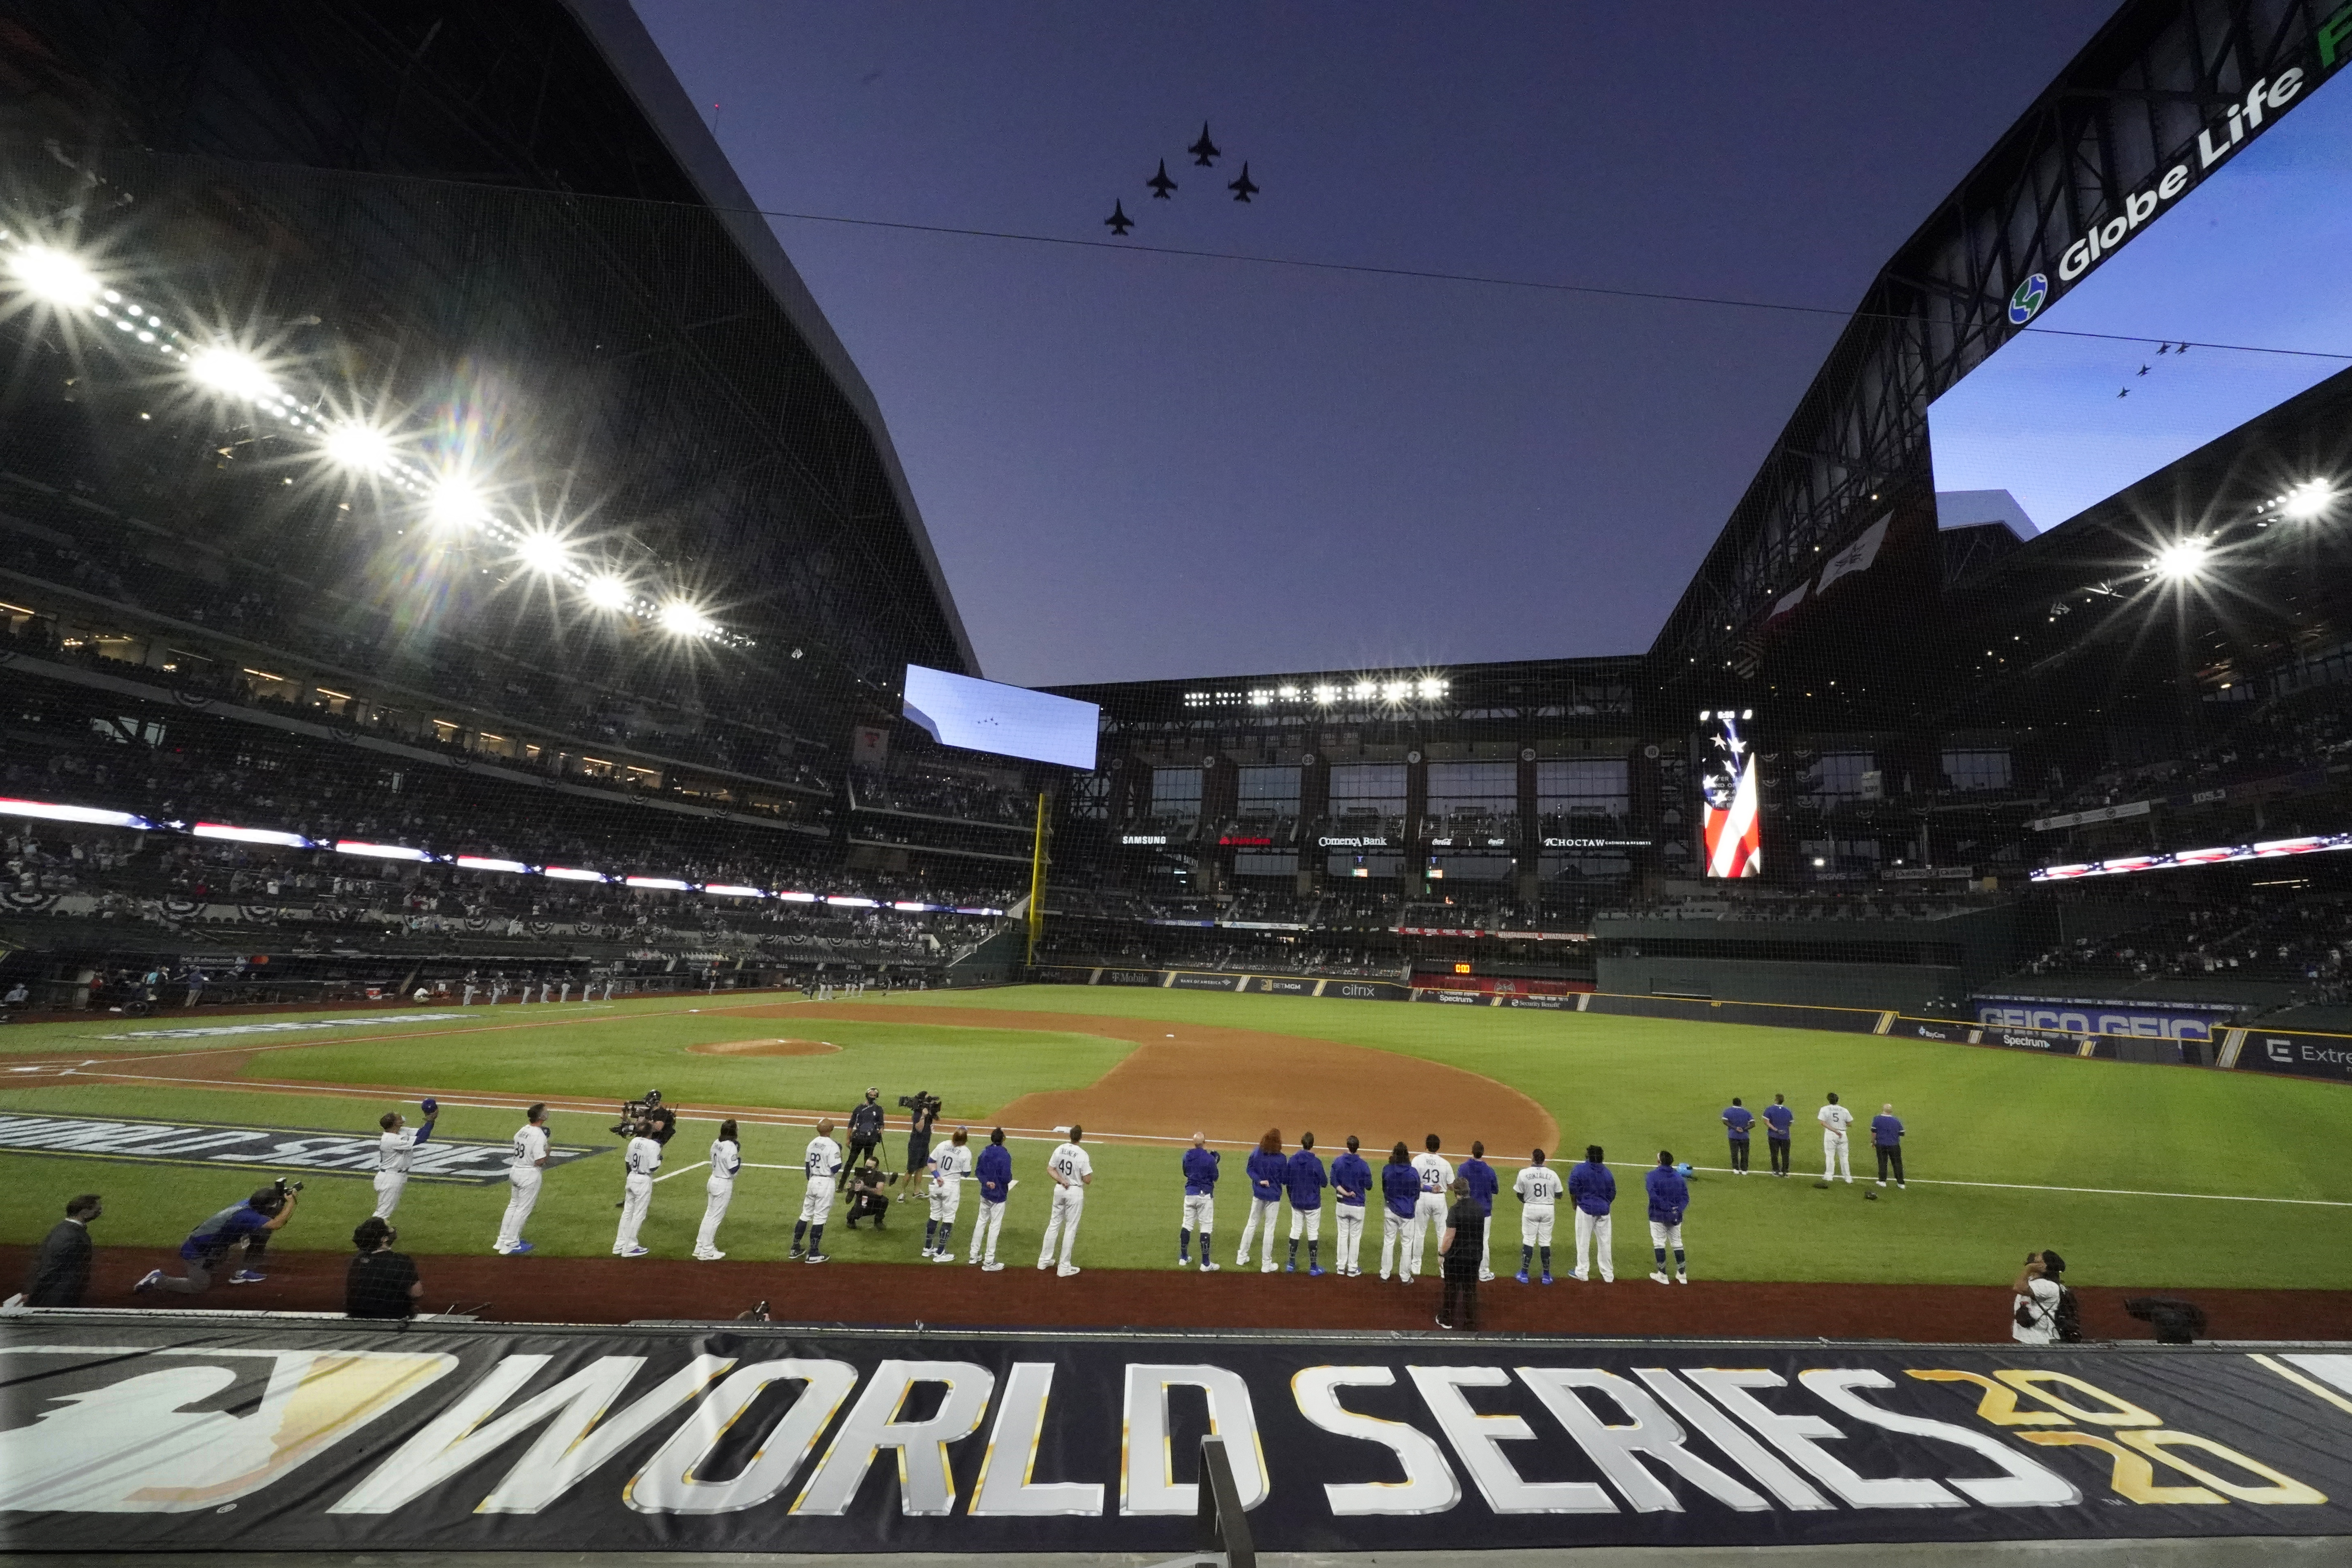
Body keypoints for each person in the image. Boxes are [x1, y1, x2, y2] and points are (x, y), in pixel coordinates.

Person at [138, 1183, 299, 1294]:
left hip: (215, 1247)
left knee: (261, 1233)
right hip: (196, 1252)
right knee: (199, 1286)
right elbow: (277, 1224)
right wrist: (291, 1202)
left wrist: (281, 1195)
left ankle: (242, 1272)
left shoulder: (249, 1204)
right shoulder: (245, 1216)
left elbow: (269, 1211)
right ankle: (157, 1280)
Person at [20, 1194, 101, 1307]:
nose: (100, 1211)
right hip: (58, 1298)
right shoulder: (71, 1236)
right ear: (84, 1213)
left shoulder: (63, 1229)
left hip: (60, 1294)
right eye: (97, 1209)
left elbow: (39, 1262)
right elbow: (50, 1267)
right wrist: (32, 1294)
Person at [495, 1103, 550, 1256]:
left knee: (513, 1206)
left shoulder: (522, 1130)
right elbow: (540, 1161)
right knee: (523, 1209)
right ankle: (512, 1244)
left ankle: (502, 1240)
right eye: (546, 1112)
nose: (548, 1113)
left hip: (516, 1171)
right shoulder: (539, 1135)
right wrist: (548, 1151)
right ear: (541, 1117)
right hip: (529, 1175)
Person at [1038, 1124, 1092, 1277]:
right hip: (1074, 1192)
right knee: (1070, 1228)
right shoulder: (1082, 1154)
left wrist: (1062, 1180)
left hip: (1060, 1189)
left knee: (1054, 1224)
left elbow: (1050, 1169)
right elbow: (1087, 1179)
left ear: (1070, 1135)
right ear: (1081, 1137)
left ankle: (1044, 1260)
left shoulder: (1060, 1149)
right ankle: (1064, 1267)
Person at [372, 1098, 439, 1221]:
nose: (401, 1118)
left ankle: (379, 1233)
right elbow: (421, 1139)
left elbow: (421, 1133)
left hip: (396, 1176)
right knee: (383, 1213)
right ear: (395, 1124)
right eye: (398, 1118)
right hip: (390, 1178)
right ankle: (371, 1236)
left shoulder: (400, 1131)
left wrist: (431, 1120)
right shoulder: (390, 1140)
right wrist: (430, 1120)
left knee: (387, 1211)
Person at [345, 1216, 422, 1320]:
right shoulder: (401, 1260)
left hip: (358, 1318)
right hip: (394, 1319)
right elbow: (417, 1294)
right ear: (384, 1239)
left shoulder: (356, 1261)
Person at [1437, 1177, 1486, 1331]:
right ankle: (1470, 1323)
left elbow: (1450, 1236)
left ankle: (1446, 1319)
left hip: (1456, 1258)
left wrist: (1441, 1253)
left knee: (1451, 1289)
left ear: (1456, 1193)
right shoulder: (1479, 1208)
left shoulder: (1455, 1210)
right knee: (1470, 1289)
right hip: (1474, 1257)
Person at [792, 1117, 842, 1262]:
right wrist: (841, 1154)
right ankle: (813, 1253)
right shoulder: (833, 1146)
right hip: (826, 1182)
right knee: (820, 1217)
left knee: (805, 1215)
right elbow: (835, 1168)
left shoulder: (812, 1143)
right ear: (831, 1130)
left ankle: (795, 1248)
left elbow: (808, 1167)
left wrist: (812, 1181)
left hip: (813, 1181)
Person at [1238, 1129, 1286, 1272]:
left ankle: (1241, 1257)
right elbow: (1284, 1179)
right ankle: (1266, 1264)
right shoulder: (1282, 1159)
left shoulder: (1257, 1152)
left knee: (1251, 1224)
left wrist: (1259, 1181)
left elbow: (1250, 1169)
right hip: (1274, 1196)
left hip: (1258, 1194)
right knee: (1269, 1229)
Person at [613, 1117, 662, 1257]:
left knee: (627, 1213)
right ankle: (630, 1247)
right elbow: (653, 1167)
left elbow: (628, 1161)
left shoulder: (633, 1142)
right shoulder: (653, 1145)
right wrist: (660, 1159)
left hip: (632, 1178)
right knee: (639, 1214)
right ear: (650, 1131)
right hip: (643, 1180)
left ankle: (620, 1244)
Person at [924, 1126, 974, 1261]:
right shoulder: (965, 1152)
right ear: (965, 1139)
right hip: (951, 1187)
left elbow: (930, 1162)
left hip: (937, 1183)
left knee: (934, 1214)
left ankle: (927, 1248)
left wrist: (937, 1175)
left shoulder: (943, 1145)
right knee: (948, 1217)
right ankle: (940, 1252)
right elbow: (966, 1173)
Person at [694, 1119, 741, 1261]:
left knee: (709, 1215)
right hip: (723, 1183)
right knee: (715, 1218)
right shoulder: (730, 1146)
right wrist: (740, 1161)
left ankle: (700, 1246)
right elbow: (733, 1169)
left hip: (713, 1179)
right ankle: (707, 1251)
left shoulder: (716, 1142)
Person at [1513, 1149, 1562, 1284]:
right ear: (1544, 1160)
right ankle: (1546, 1276)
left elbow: (1519, 1193)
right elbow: (1559, 1194)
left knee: (1529, 1240)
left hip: (1530, 1208)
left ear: (1533, 1159)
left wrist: (1529, 1200)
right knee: (1545, 1242)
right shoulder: (1552, 1174)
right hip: (1548, 1209)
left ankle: (1524, 1274)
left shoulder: (1524, 1173)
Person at [1569, 1144, 1616, 1283]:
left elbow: (1573, 1189)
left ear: (1588, 1156)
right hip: (1604, 1212)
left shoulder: (1579, 1170)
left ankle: (1582, 1272)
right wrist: (1605, 1204)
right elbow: (1612, 1193)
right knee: (1605, 1242)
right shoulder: (1607, 1173)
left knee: (1583, 1241)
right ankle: (1608, 1275)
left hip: (1585, 1210)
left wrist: (1575, 1204)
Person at [1409, 1133, 1453, 1283]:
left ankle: (1416, 1268)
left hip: (1422, 1198)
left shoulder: (1417, 1160)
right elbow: (1452, 1185)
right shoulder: (1445, 1163)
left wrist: (1427, 1187)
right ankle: (1443, 1270)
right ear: (1439, 1147)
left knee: (1419, 1233)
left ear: (1426, 1146)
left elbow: (1413, 1181)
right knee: (1442, 1234)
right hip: (1440, 1200)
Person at [1284, 1131, 1329, 1275]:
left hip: (1297, 1202)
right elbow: (1324, 1183)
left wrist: (1292, 1197)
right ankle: (1314, 1267)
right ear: (1312, 1144)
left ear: (1302, 1143)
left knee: (1295, 1230)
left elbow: (1287, 1181)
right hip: (1313, 1204)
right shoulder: (1316, 1163)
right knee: (1313, 1233)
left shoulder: (1292, 1160)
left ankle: (1291, 1264)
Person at [1645, 1150, 1690, 1285]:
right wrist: (1676, 1210)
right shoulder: (1679, 1178)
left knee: (1659, 1243)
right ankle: (1682, 1275)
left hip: (1658, 1215)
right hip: (1676, 1217)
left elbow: (1653, 1197)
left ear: (1659, 1162)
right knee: (1677, 1243)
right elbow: (1685, 1198)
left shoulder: (1651, 1176)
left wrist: (1667, 1209)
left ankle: (1663, 1275)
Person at [1329, 1134, 1372, 1277]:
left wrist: (1346, 1193)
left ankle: (1341, 1268)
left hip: (1342, 1205)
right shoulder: (1363, 1165)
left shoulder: (1338, 1162)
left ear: (1348, 1146)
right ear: (1357, 1147)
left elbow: (1333, 1182)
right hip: (1358, 1206)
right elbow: (1369, 1186)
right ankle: (1352, 1269)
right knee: (1355, 1238)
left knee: (1342, 1235)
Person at [971, 1126, 1013, 1270]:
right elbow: (1007, 1177)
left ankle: (973, 1255)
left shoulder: (985, 1152)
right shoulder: (1005, 1155)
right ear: (1003, 1140)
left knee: (981, 1222)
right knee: (994, 1226)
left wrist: (986, 1182)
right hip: (999, 1195)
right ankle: (989, 1262)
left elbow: (978, 1171)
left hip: (985, 1193)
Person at [1377, 1141, 1419, 1281]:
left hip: (1390, 1210)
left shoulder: (1387, 1169)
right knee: (1407, 1244)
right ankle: (1405, 1277)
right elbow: (1417, 1193)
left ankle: (1385, 1274)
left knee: (1388, 1241)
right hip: (1408, 1213)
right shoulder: (1413, 1172)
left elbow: (1384, 1188)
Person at [1178, 1131, 1220, 1271]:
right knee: (1206, 1228)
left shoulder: (1187, 1155)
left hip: (1190, 1194)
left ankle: (1183, 1258)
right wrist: (1215, 1162)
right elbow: (1215, 1177)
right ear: (1204, 1143)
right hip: (1204, 1196)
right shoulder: (1209, 1159)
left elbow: (1185, 1172)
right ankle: (1206, 1264)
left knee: (1187, 1225)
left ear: (1193, 1143)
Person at [2011, 1249, 2073, 1344]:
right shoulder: (2034, 1280)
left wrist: (2029, 1269)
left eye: (2038, 1261)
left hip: (2040, 1343)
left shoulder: (2048, 1286)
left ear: (2044, 1267)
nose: (2034, 1261)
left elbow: (2018, 1287)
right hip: (2032, 1339)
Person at [1460, 1141, 1499, 1281]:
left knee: (1464, 1239)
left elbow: (1459, 1187)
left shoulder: (1463, 1168)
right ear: (1483, 1153)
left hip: (1467, 1210)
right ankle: (1483, 1273)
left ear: (1472, 1151)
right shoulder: (1489, 1171)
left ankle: (1464, 1271)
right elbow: (1495, 1189)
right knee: (1483, 1241)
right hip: (1484, 1212)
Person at [899, 1093, 940, 1201]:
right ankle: (902, 1193)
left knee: (921, 1168)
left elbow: (938, 1119)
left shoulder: (928, 1112)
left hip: (924, 1144)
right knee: (911, 1169)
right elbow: (919, 1129)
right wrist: (923, 1115)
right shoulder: (918, 1114)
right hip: (916, 1145)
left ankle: (917, 1192)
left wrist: (933, 1113)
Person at [1818, 1093, 1855, 1185]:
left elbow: (1823, 1123)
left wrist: (1834, 1130)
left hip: (1831, 1134)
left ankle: (1829, 1176)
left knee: (1830, 1155)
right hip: (1843, 1134)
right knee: (1844, 1157)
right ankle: (1848, 1177)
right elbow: (1850, 1124)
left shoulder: (1824, 1109)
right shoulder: (1844, 1110)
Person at [846, 1086, 885, 1173]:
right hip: (858, 1139)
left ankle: (865, 1182)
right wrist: (848, 1138)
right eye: (871, 1095)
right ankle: (842, 1184)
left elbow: (881, 1124)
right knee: (850, 1162)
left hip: (871, 1140)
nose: (872, 1097)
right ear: (867, 1095)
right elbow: (851, 1124)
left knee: (868, 1162)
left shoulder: (879, 1109)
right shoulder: (859, 1108)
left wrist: (881, 1130)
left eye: (874, 1095)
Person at [843, 1160, 892, 1227]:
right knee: (858, 1213)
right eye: (866, 1167)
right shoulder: (860, 1175)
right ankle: (851, 1218)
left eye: (870, 1168)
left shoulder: (880, 1176)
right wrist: (851, 1189)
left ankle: (878, 1221)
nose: (867, 1169)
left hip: (874, 1200)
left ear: (876, 1168)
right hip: (863, 1200)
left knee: (884, 1201)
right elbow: (848, 1200)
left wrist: (864, 1188)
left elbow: (879, 1193)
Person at [1871, 1103, 1907, 1189]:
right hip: (1894, 1145)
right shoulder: (1896, 1121)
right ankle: (1901, 1183)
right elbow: (1902, 1133)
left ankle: (1882, 1181)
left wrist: (1873, 1142)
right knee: (1897, 1163)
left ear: (1883, 1110)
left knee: (1883, 1163)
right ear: (1891, 1111)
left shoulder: (1877, 1119)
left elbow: (1874, 1133)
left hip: (1881, 1144)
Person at [1763, 1093, 1794, 1177]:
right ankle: (1785, 1171)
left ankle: (1776, 1171)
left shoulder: (1770, 1109)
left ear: (1776, 1100)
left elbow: (1767, 1122)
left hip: (1774, 1136)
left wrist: (1776, 1130)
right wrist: (1784, 1129)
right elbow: (1790, 1123)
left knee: (1774, 1153)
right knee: (1786, 1154)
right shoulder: (1788, 1111)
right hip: (1785, 1136)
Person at [1722, 1097, 1754, 1174]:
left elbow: (1725, 1121)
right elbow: (1753, 1124)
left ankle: (1736, 1169)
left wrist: (1734, 1128)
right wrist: (1744, 1129)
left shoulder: (1728, 1111)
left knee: (1734, 1153)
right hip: (1745, 1136)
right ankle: (1744, 1170)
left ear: (1733, 1103)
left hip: (1733, 1135)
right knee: (1745, 1153)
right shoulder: (1746, 1112)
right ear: (1741, 1103)